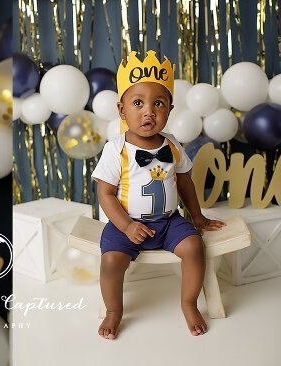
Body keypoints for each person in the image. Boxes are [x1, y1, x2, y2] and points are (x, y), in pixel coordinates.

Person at [91, 50, 225, 340]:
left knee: (193, 248)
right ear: (121, 110)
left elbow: (185, 182)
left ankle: (188, 303)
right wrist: (126, 225)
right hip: (125, 224)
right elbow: (105, 193)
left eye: (158, 103)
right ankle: (114, 310)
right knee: (111, 262)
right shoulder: (116, 149)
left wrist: (198, 216)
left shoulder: (173, 144)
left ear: (169, 109)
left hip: (168, 221)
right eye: (138, 103)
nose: (148, 111)